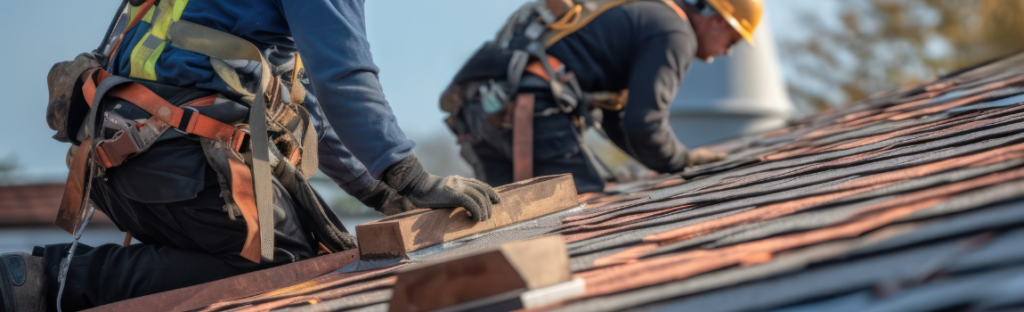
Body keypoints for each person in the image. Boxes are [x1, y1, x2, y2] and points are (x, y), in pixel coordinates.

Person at [0, 0, 499, 311]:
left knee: (264, 253)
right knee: (284, 269)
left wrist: (379, 191)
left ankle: (46, 280)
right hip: (176, 160)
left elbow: (307, 113)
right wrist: (408, 174)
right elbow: (343, 77)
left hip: (115, 160)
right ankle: (55, 282)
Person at [441, 0, 763, 192]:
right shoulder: (674, 33)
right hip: (530, 108)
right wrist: (681, 161)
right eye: (732, 42)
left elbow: (616, 121)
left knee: (504, 227)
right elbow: (644, 123)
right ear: (719, 19)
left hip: (478, 110)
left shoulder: (641, 13)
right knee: (577, 210)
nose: (722, 55)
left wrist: (666, 161)